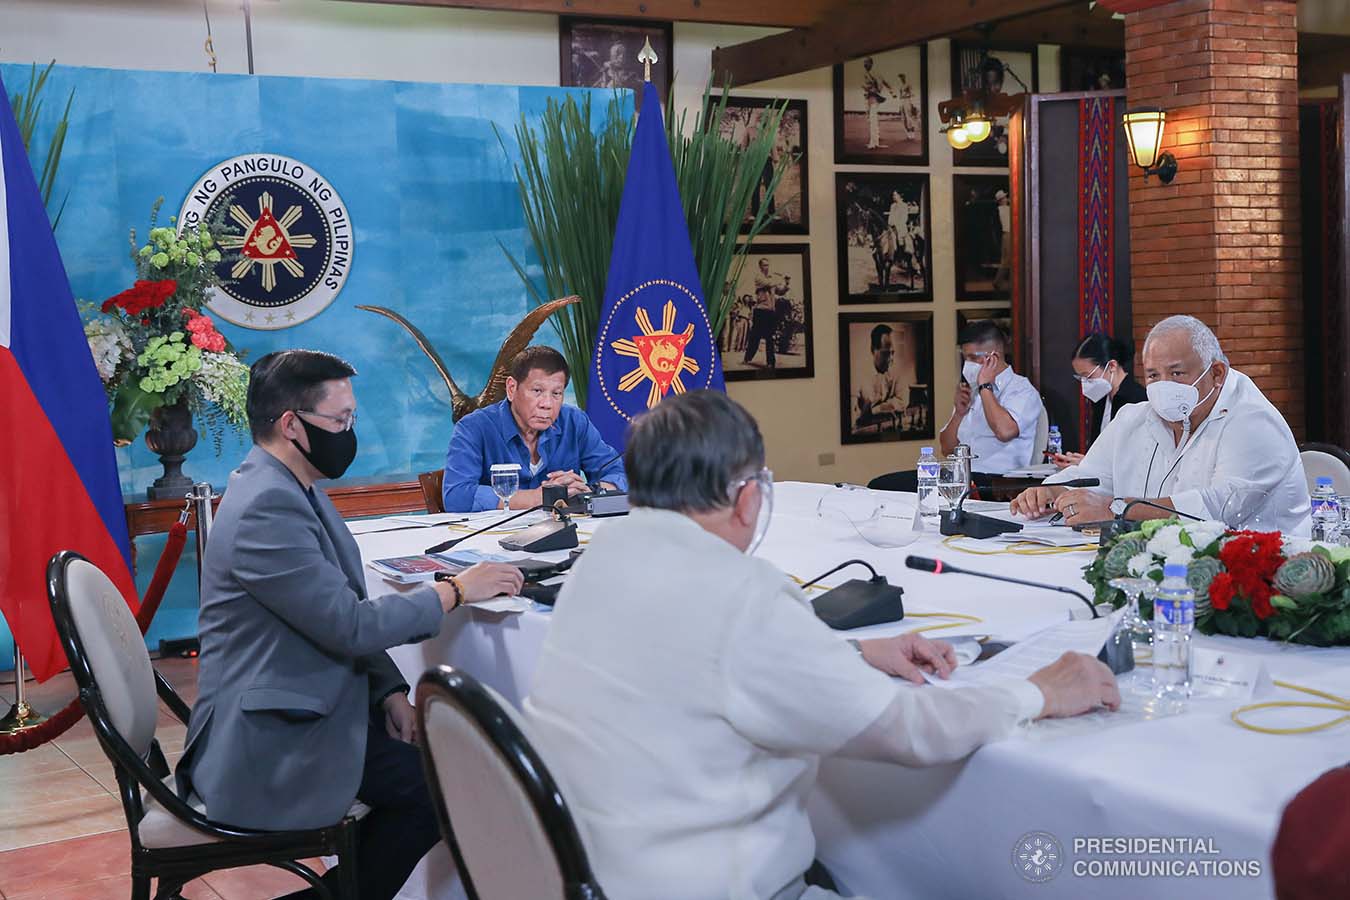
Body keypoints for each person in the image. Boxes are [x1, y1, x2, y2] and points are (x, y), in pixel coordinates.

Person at [523, 390, 1119, 900]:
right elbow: (906, 732)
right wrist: (1035, 693)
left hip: (589, 869)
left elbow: (686, 664)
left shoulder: (602, 557)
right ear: (748, 496)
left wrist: (853, 655)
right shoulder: (741, 589)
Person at [176, 350, 525, 900]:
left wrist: (388, 690)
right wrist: (455, 590)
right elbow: (349, 624)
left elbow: (332, 611)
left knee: (432, 780)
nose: (349, 433)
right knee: (439, 789)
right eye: (340, 421)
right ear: (291, 424)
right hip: (271, 737)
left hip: (305, 706)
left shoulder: (293, 483)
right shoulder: (267, 504)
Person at [1011, 315, 1312, 533]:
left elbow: (1218, 509)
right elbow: (1091, 478)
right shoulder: (1134, 417)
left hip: (1262, 580)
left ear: (1217, 373)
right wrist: (1052, 493)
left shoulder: (1252, 421)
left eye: (1177, 373)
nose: (1163, 385)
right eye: (1153, 375)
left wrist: (1114, 509)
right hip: (1159, 565)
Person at [442, 345, 626, 512]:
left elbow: (619, 474)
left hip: (563, 535)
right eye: (537, 391)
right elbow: (457, 497)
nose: (547, 404)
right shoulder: (473, 428)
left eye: (556, 394)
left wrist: (588, 491)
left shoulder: (574, 421)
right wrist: (538, 497)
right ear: (512, 388)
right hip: (496, 539)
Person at [939, 320, 1042, 478]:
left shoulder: (1022, 390)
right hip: (964, 479)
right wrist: (959, 414)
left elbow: (1005, 431)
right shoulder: (971, 390)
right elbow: (946, 449)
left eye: (973, 358)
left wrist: (985, 387)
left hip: (1001, 484)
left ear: (994, 356)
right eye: (965, 358)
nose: (968, 364)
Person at [1052, 333, 1147, 468]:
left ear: (1112, 366)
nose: (1085, 383)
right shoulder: (1101, 400)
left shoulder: (1137, 400)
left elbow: (1134, 455)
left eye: (1088, 376)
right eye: (1080, 378)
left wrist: (1088, 462)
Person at [856, 323, 903, 431]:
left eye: (892, 353)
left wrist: (877, 409)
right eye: (885, 354)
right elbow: (856, 418)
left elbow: (903, 401)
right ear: (873, 350)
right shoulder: (860, 377)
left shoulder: (895, 371)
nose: (890, 359)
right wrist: (887, 406)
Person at [744, 258, 788, 368]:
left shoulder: (771, 278)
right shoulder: (759, 278)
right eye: (764, 265)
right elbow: (769, 284)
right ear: (760, 266)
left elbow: (780, 291)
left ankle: (770, 362)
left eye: (768, 265)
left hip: (770, 311)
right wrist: (780, 279)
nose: (766, 267)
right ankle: (748, 357)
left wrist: (786, 283)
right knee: (755, 336)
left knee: (770, 337)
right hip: (760, 311)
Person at [860, 56, 895, 150]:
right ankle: (875, 141)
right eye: (864, 63)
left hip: (874, 97)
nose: (865, 64)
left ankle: (874, 143)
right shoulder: (865, 74)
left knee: (873, 120)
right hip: (868, 97)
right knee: (871, 120)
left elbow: (883, 83)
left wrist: (892, 92)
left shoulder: (875, 73)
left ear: (871, 63)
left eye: (866, 63)